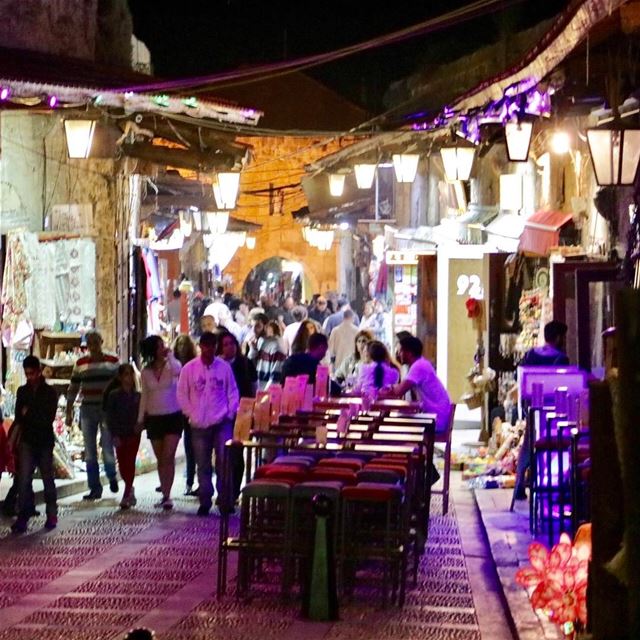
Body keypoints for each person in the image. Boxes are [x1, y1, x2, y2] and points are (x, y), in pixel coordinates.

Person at [178, 332, 239, 516]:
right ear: (201, 346)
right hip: (198, 424)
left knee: (224, 462)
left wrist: (230, 412)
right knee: (202, 463)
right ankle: (205, 499)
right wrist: (191, 413)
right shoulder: (189, 369)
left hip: (221, 422)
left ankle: (225, 500)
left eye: (212, 347)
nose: (209, 350)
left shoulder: (224, 368)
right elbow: (182, 393)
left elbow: (232, 391)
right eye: (206, 346)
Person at [66, 330, 119, 501]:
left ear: (101, 342)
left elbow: (120, 384)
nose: (93, 346)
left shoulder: (113, 362)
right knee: (89, 450)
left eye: (96, 342)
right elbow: (73, 387)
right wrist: (69, 409)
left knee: (107, 445)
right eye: (90, 343)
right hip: (87, 409)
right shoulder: (80, 364)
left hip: (107, 410)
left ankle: (111, 475)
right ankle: (94, 487)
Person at [11, 356, 58, 533]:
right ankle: (23, 516)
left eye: (32, 373)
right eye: (27, 374)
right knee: (23, 479)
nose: (29, 377)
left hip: (44, 440)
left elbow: (48, 418)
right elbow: (18, 416)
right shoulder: (22, 391)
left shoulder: (49, 392)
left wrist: (29, 412)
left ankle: (52, 513)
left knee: (47, 478)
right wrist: (33, 413)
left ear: (39, 371)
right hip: (28, 440)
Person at [138, 335, 183, 510]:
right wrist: (140, 419)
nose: (162, 348)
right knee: (161, 459)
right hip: (154, 417)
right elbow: (144, 396)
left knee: (168, 455)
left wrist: (170, 355)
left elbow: (178, 370)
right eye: (158, 346)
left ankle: (167, 494)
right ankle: (164, 493)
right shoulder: (145, 371)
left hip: (172, 415)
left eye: (162, 345)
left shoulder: (171, 366)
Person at [218, 331, 257, 503]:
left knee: (237, 453)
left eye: (231, 343)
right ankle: (224, 490)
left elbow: (254, 388)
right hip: (221, 414)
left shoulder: (245, 363)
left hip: (242, 413)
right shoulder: (218, 365)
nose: (229, 347)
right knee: (222, 454)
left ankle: (233, 491)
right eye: (225, 344)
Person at [384, 336, 451, 432]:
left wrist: (380, 393)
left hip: (435, 419)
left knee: (394, 423)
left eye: (400, 351)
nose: (398, 354)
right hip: (436, 415)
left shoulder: (418, 366)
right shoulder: (421, 363)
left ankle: (410, 446)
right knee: (397, 419)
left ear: (409, 352)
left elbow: (398, 392)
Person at [103, 364, 141, 509]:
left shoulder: (138, 396)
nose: (129, 378)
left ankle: (126, 493)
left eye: (131, 374)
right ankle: (129, 488)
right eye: (126, 374)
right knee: (123, 464)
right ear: (120, 377)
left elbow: (142, 414)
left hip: (133, 433)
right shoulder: (114, 395)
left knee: (130, 462)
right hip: (119, 433)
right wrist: (114, 434)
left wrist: (140, 425)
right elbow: (110, 416)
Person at [173, 334, 198, 496]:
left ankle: (189, 481)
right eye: (179, 345)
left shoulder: (193, 365)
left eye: (184, 346)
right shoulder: (172, 365)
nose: (182, 348)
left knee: (190, 447)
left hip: (188, 410)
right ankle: (166, 480)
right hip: (174, 409)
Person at [247, 315, 286, 390]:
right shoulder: (259, 341)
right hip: (257, 389)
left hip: (265, 392)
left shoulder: (276, 345)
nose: (254, 330)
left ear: (266, 326)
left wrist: (266, 394)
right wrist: (253, 349)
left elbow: (276, 376)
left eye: (257, 326)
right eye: (251, 326)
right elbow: (250, 367)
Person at [328, 309, 359, 373]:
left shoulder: (335, 330)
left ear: (343, 317)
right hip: (352, 364)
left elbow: (330, 350)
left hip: (338, 363)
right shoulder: (357, 331)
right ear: (352, 318)